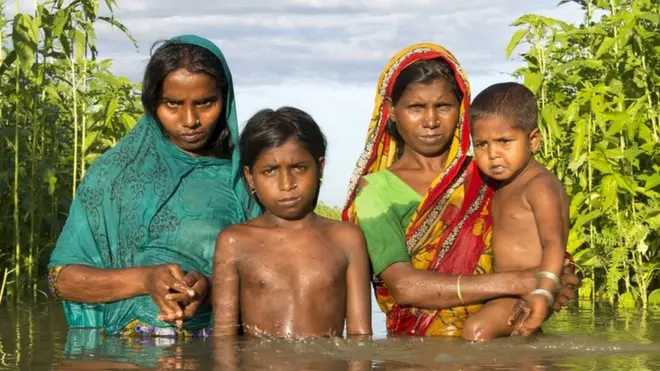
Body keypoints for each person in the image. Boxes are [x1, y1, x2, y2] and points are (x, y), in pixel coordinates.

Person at [342, 43, 580, 337]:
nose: (431, 122)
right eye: (416, 107)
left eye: (443, 106)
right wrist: (524, 281)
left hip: (511, 335)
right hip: (422, 354)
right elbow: (404, 287)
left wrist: (557, 279)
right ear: (391, 111)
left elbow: (543, 245)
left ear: (461, 108)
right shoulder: (375, 192)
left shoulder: (490, 172)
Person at [47, 34, 259, 337]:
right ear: (151, 103)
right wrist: (144, 280)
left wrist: (212, 289)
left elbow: (275, 281)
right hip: (117, 354)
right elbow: (61, 280)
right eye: (172, 104)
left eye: (205, 103)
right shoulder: (112, 177)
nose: (190, 120)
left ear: (225, 101)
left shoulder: (246, 180)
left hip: (210, 351)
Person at [212, 107, 372, 338]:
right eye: (270, 171)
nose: (286, 184)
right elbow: (224, 338)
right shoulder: (234, 242)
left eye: (298, 168)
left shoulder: (346, 238)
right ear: (250, 177)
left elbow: (360, 336)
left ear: (320, 168)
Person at [462, 82, 569, 340]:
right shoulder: (501, 185)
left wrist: (542, 294)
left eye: (504, 141)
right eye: (482, 144)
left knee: (476, 331)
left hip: (531, 290)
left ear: (533, 140)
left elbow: (555, 243)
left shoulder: (539, 185)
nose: (493, 154)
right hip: (505, 291)